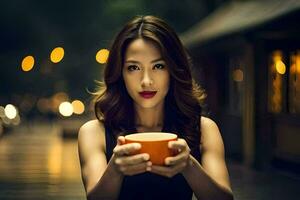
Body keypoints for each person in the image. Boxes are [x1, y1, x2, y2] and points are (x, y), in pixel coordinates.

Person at [78, 15, 234, 200]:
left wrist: (189, 166)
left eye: (158, 66)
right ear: (120, 73)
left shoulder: (204, 129)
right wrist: (115, 170)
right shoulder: (93, 133)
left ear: (174, 70)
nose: (146, 81)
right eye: (133, 68)